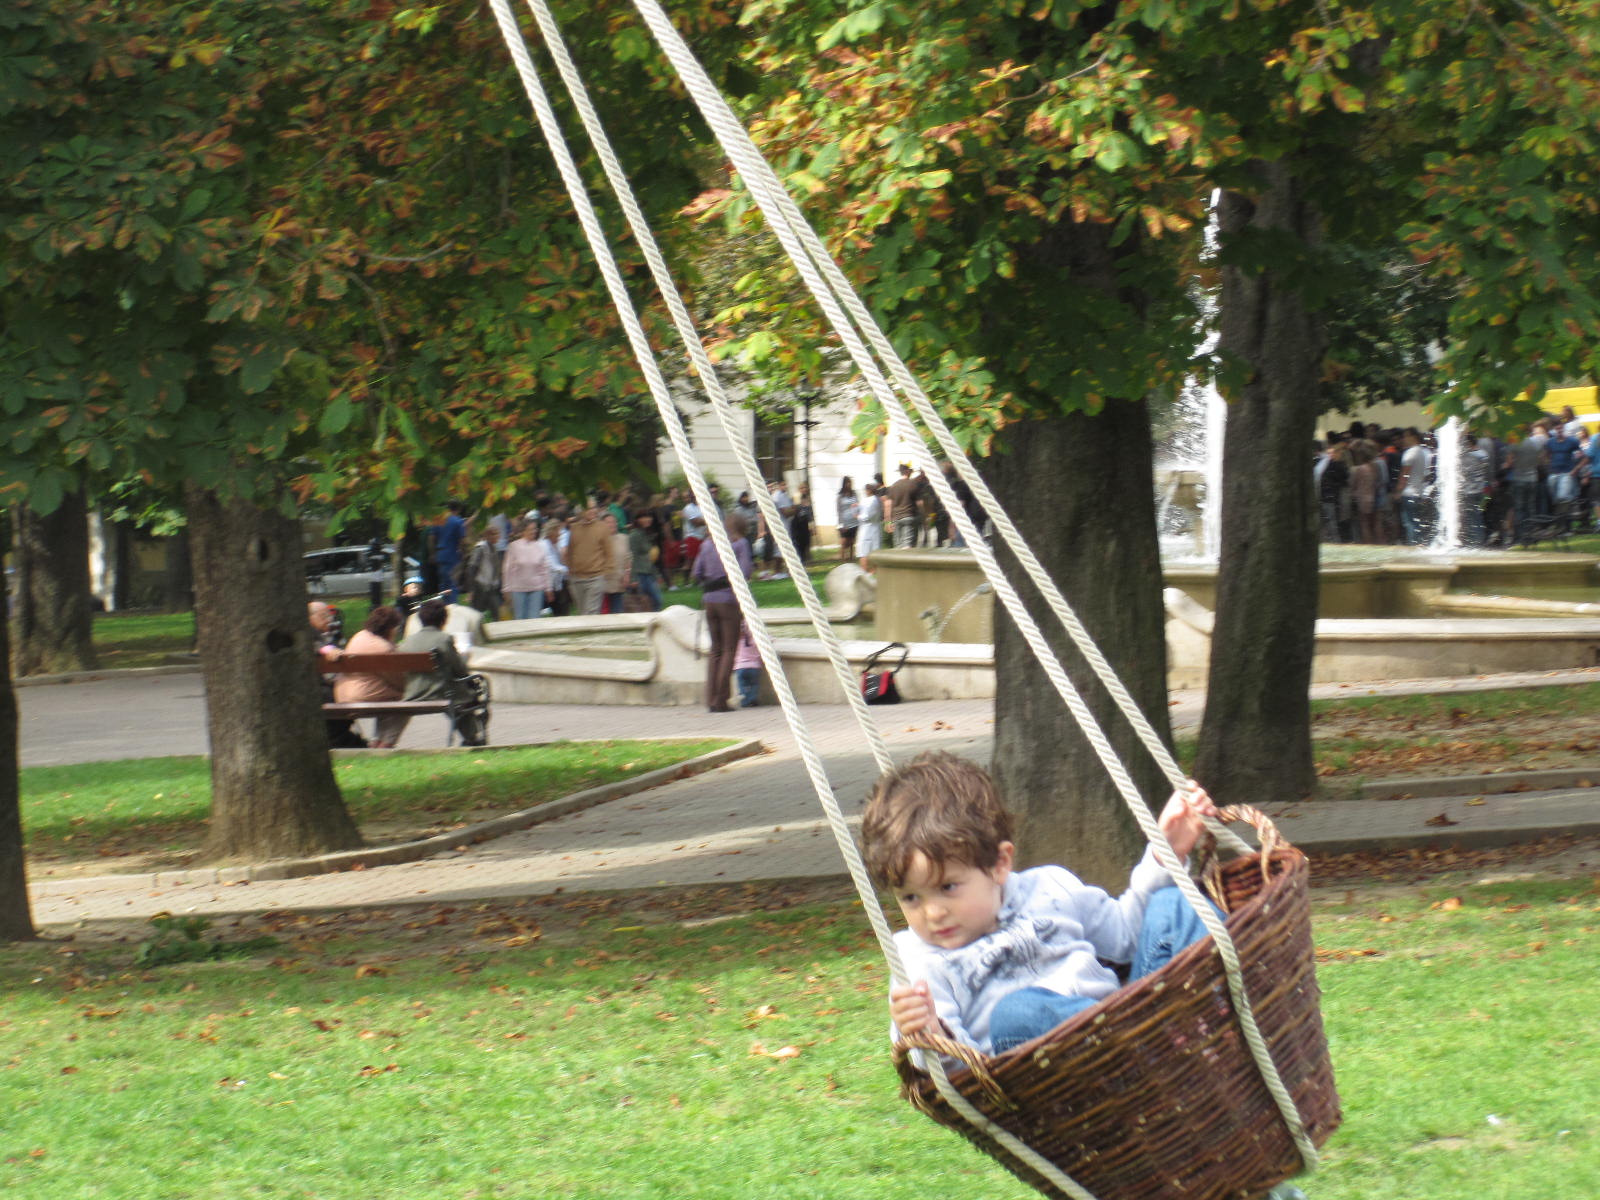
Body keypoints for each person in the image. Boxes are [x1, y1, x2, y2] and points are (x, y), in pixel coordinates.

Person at [862, 751, 1219, 1057]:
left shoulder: (1049, 888)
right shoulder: (917, 960)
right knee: (1017, 1012)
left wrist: (1164, 854)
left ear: (1000, 864)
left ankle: (1216, 1021)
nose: (932, 912)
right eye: (910, 897)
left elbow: (1127, 937)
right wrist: (928, 1033)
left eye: (948, 887)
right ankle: (1150, 1048)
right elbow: (958, 1069)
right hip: (1054, 1068)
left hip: (1131, 1015)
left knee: (1176, 904)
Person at [397, 598, 485, 746]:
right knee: (468, 693)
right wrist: (464, 657)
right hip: (442, 693)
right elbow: (460, 671)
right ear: (444, 620)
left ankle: (471, 738)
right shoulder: (444, 639)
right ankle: (472, 738)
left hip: (413, 694)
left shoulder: (407, 642)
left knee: (461, 694)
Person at [691, 512, 754, 712]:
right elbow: (745, 572)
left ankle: (711, 699)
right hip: (729, 600)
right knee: (728, 649)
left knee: (715, 650)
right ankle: (721, 700)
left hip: (709, 600)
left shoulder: (707, 543)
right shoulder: (740, 543)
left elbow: (696, 573)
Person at [333, 605, 408, 749]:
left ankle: (377, 743)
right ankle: (385, 744)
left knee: (390, 700)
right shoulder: (384, 648)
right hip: (363, 696)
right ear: (390, 628)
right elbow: (399, 681)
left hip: (342, 695)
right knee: (406, 702)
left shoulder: (359, 636)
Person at [566, 497, 611, 616]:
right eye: (588, 509)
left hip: (596, 577)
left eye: (594, 508)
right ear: (581, 512)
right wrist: (570, 570)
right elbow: (570, 551)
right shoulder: (574, 528)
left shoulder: (602, 527)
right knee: (582, 612)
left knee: (591, 612)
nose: (592, 511)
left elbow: (609, 553)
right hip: (577, 578)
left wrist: (605, 572)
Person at [502, 518, 552, 620]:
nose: (534, 531)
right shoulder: (514, 546)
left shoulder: (539, 546)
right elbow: (507, 569)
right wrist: (506, 588)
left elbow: (544, 569)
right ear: (523, 531)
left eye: (535, 529)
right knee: (520, 618)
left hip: (536, 588)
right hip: (518, 588)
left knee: (534, 618)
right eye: (531, 529)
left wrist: (548, 588)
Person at [430, 501, 468, 602]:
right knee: (453, 583)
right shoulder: (457, 521)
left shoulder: (438, 520)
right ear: (458, 509)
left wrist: (432, 554)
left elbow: (431, 538)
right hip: (452, 555)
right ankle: (452, 607)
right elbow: (462, 541)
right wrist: (464, 553)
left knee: (443, 584)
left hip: (440, 554)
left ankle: (444, 607)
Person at [461, 524, 502, 617]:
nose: (497, 536)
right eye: (493, 534)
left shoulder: (494, 548)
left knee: (496, 612)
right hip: (480, 587)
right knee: (475, 614)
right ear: (487, 536)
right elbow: (471, 568)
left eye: (497, 534)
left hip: (491, 587)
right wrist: (471, 590)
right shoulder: (480, 548)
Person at [628, 510, 663, 611]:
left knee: (657, 601)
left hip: (649, 573)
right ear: (637, 520)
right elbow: (632, 556)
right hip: (639, 574)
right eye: (644, 517)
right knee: (642, 603)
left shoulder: (647, 534)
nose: (647, 519)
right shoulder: (634, 535)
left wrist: (657, 574)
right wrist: (633, 578)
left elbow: (650, 558)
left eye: (649, 517)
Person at [602, 512, 631, 614]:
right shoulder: (599, 540)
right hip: (603, 581)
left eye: (614, 522)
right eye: (608, 522)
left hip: (619, 580)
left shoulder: (623, 538)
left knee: (617, 611)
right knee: (603, 612)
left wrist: (627, 574)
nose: (612, 524)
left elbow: (628, 557)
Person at [886, 463, 919, 549]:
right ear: (908, 471)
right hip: (909, 516)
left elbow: (888, 505)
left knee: (897, 546)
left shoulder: (893, 486)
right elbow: (920, 503)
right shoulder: (913, 484)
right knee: (907, 546)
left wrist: (888, 522)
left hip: (896, 518)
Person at [733, 621, 762, 708]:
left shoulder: (736, 642)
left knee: (742, 685)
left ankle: (744, 701)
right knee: (754, 684)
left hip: (740, 667)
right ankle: (752, 699)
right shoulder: (754, 640)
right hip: (754, 666)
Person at [857, 485, 883, 572]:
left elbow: (867, 515)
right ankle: (873, 570)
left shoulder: (871, 500)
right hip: (874, 526)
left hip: (867, 528)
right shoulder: (877, 499)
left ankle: (867, 570)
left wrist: (858, 516)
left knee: (864, 551)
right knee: (874, 549)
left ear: (868, 490)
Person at [836, 477, 860, 562]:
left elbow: (857, 505)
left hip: (854, 521)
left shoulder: (854, 494)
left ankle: (851, 558)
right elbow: (839, 510)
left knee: (852, 541)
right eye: (847, 483)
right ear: (844, 484)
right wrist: (841, 524)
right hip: (844, 522)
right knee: (844, 541)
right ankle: (843, 559)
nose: (849, 484)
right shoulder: (840, 496)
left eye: (850, 482)